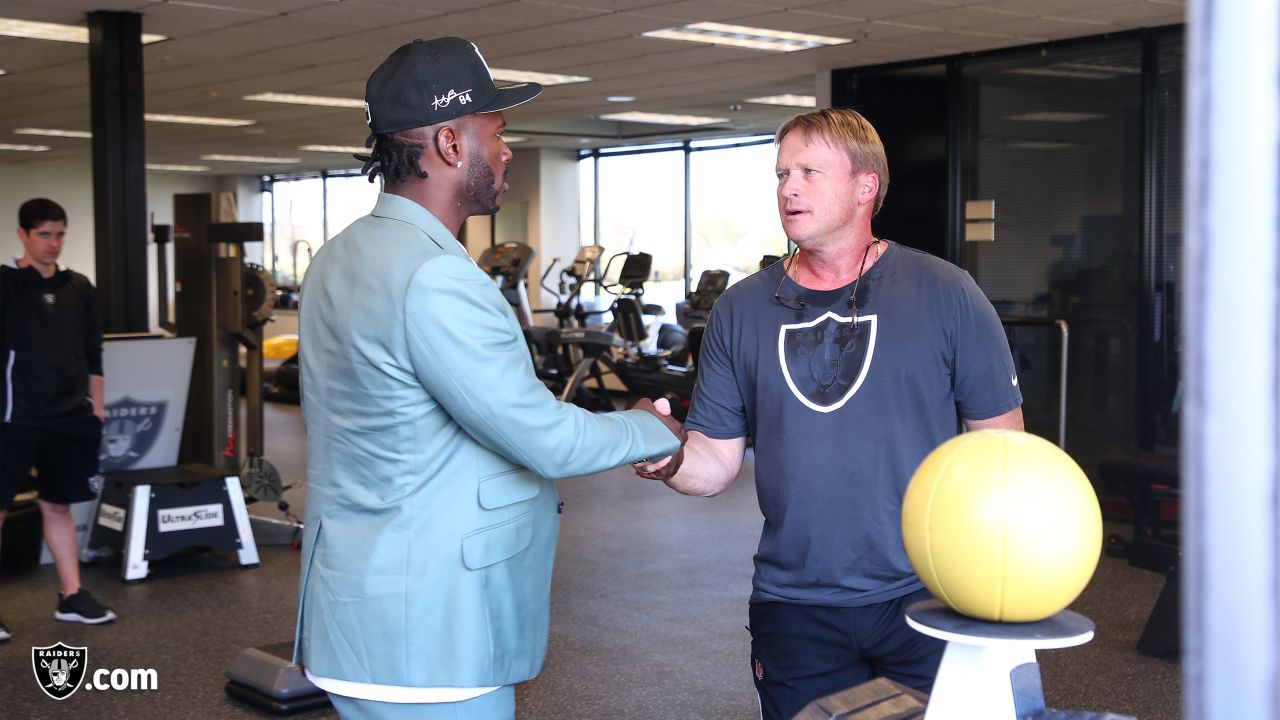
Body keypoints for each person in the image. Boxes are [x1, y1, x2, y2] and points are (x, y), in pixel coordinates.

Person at [295, 37, 682, 720]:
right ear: (449, 144)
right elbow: (544, 439)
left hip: (352, 621)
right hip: (432, 639)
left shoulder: (336, 258)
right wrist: (648, 428)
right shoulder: (436, 275)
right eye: (496, 134)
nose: (505, 151)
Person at [636, 108, 1024, 720]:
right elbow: (714, 463)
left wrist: (996, 591)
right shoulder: (741, 310)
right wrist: (666, 455)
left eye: (810, 171)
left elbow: (1002, 457)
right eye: (782, 173)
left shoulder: (946, 293)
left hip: (930, 594)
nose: (788, 187)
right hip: (796, 603)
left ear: (865, 186)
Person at [0, 198, 117, 644]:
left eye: (60, 234)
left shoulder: (79, 288)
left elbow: (94, 352)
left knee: (58, 505)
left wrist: (98, 407)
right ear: (23, 236)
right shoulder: (5, 285)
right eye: (45, 235)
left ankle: (71, 595)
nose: (53, 243)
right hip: (14, 416)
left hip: (68, 416)